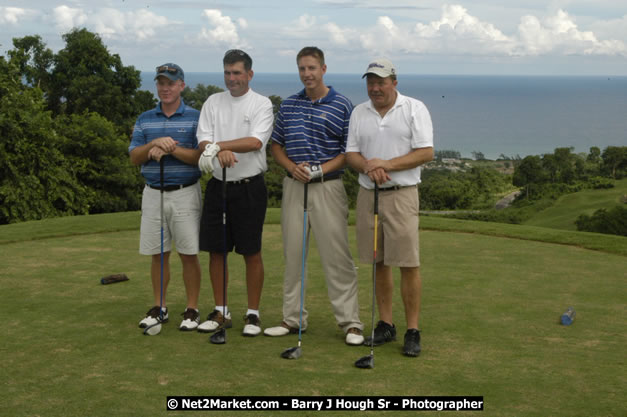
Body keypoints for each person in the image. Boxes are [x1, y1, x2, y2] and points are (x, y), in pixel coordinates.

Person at [265, 46, 364, 346]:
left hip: (328, 188)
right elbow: (276, 146)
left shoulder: (343, 105)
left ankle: (351, 324)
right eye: (302, 69)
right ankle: (292, 319)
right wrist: (292, 168)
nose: (307, 74)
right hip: (294, 187)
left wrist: (320, 170)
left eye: (311, 68)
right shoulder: (290, 105)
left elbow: (349, 152)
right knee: (293, 256)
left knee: (337, 257)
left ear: (323, 68)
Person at [346, 58, 434, 357]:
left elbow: (426, 152)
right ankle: (386, 324)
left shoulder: (414, 108)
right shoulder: (360, 112)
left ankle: (412, 330)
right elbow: (352, 154)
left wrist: (388, 165)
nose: (375, 87)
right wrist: (371, 168)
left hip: (402, 194)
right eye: (371, 82)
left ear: (394, 82)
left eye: (381, 81)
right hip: (368, 194)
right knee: (378, 262)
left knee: (408, 263)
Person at [195, 49, 274, 337]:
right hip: (219, 185)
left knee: (251, 252)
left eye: (237, 73)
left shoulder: (261, 104)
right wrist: (217, 149)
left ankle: (253, 314)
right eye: (228, 73)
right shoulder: (213, 102)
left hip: (249, 186)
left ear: (249, 74)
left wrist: (219, 146)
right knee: (217, 251)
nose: (232, 79)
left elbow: (255, 142)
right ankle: (221, 311)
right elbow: (203, 139)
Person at [129, 63, 203, 331]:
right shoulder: (145, 118)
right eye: (161, 83)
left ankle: (192, 309)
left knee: (188, 253)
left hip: (185, 193)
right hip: (153, 193)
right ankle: (159, 306)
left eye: (171, 83)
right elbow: (134, 157)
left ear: (181, 85)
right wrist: (153, 144)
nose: (165, 88)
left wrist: (171, 148)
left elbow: (199, 158)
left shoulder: (196, 117)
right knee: (158, 254)